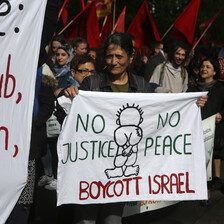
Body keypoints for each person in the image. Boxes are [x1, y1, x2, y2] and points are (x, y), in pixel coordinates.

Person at [58, 33, 207, 224]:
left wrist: (192, 104)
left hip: (121, 178)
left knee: (113, 220)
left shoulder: (142, 86)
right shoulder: (91, 83)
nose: (113, 62)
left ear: (131, 56)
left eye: (119, 56)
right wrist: (68, 94)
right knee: (85, 221)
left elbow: (162, 107)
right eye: (110, 56)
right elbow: (72, 119)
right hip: (91, 172)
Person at [188, 58, 224, 205]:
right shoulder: (191, 90)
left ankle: (206, 192)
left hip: (214, 131)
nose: (204, 69)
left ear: (214, 72)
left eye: (208, 67)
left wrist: (222, 115)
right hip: (195, 131)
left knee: (207, 161)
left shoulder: (220, 89)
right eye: (202, 66)